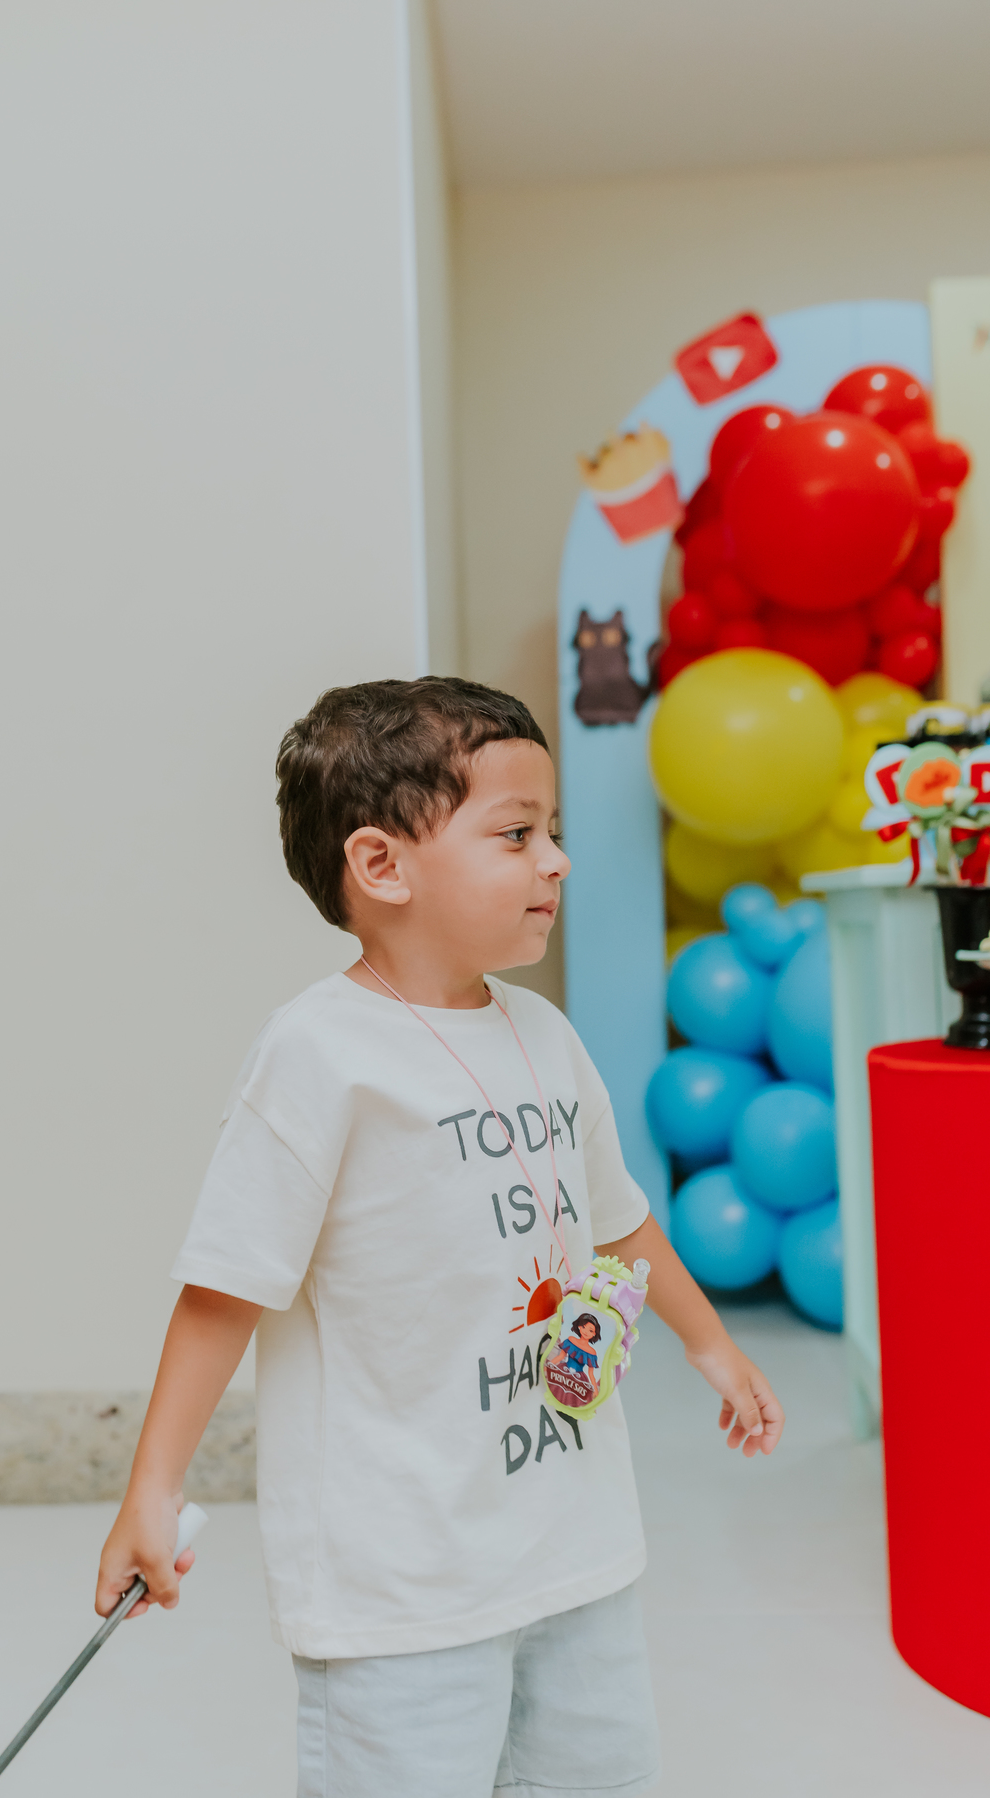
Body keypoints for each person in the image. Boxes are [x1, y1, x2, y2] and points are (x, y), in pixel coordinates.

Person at [97, 676, 785, 1797]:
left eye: (553, 833)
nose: (556, 860)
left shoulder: (546, 1036)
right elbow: (227, 1286)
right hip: (402, 1586)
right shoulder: (321, 1055)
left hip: (575, 1548)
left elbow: (619, 1226)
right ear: (382, 866)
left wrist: (712, 1346)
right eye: (517, 834)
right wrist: (153, 1486)